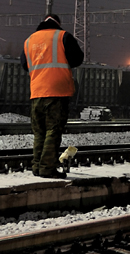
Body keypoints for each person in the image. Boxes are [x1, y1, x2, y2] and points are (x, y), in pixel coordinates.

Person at [20, 14, 84, 178]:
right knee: (53, 131)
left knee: (39, 132)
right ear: (58, 24)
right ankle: (47, 168)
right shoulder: (63, 37)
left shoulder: (29, 41)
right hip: (57, 93)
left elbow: (25, 65)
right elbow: (77, 59)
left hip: (36, 93)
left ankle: (37, 167)